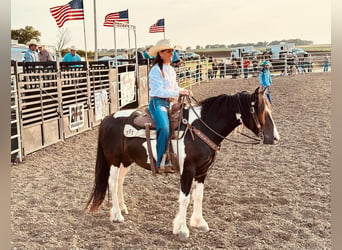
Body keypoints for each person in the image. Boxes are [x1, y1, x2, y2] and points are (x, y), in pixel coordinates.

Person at [148, 39, 192, 173]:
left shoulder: (171, 70)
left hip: (169, 103)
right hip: (157, 103)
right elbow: (158, 91)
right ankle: (161, 161)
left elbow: (174, 87)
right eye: (168, 51)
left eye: (172, 51)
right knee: (164, 127)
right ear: (160, 53)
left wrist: (183, 90)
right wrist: (178, 91)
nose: (171, 53)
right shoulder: (155, 70)